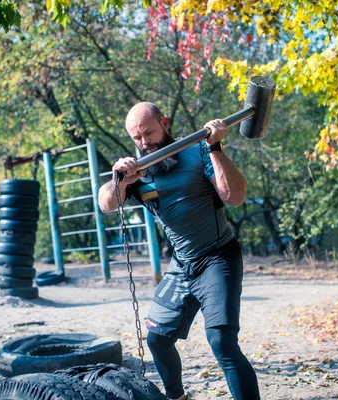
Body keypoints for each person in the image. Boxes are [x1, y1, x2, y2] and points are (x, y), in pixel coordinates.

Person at [98, 102, 260, 400]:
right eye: (137, 137)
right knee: (158, 340)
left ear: (165, 122)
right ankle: (177, 398)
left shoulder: (197, 150)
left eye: (148, 132)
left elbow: (235, 196)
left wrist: (216, 148)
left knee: (222, 343)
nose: (144, 142)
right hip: (182, 264)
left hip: (217, 257)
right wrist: (118, 179)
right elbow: (106, 204)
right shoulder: (139, 171)